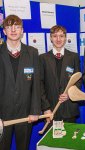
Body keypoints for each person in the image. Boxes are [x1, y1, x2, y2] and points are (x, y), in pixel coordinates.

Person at [0, 15, 41, 150]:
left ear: (22, 31)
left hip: (25, 114)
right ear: (4, 31)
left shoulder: (33, 52)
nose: (13, 30)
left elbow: (36, 84)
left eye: (17, 27)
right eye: (9, 27)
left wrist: (35, 110)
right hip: (2, 116)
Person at [40, 25, 81, 123]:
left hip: (69, 109)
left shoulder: (74, 57)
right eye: (55, 36)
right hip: (51, 110)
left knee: (70, 137)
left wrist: (69, 94)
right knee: (51, 138)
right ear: (50, 38)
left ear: (66, 38)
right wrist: (46, 108)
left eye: (61, 36)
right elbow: (39, 85)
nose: (58, 39)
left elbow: (78, 81)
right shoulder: (42, 58)